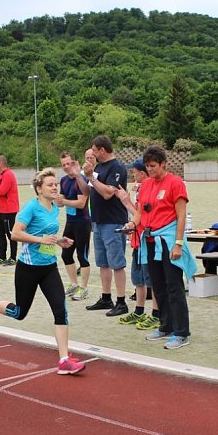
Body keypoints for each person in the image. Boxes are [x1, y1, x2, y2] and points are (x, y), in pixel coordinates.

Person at [0, 169, 84, 376]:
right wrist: (40, 240)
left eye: (55, 184)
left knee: (61, 310)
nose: (54, 188)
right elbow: (15, 234)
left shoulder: (54, 208)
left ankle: (64, 360)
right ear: (38, 189)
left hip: (49, 267)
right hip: (28, 269)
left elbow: (46, 233)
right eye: (50, 185)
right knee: (19, 313)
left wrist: (58, 241)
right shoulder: (31, 207)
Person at [123, 146, 195, 350]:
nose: (150, 169)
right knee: (158, 286)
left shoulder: (175, 183)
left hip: (169, 239)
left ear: (163, 163)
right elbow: (139, 212)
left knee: (174, 286)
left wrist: (178, 243)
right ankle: (166, 326)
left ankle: (182, 332)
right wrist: (132, 225)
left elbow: (181, 215)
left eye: (153, 166)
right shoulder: (145, 185)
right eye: (147, 166)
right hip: (150, 240)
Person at [82, 135, 129, 317]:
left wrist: (91, 178)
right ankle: (106, 296)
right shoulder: (99, 167)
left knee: (116, 262)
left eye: (94, 150)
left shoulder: (117, 167)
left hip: (113, 220)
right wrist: (80, 176)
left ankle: (121, 301)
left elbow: (108, 193)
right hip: (98, 221)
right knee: (103, 262)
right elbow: (89, 189)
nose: (92, 153)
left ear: (102, 150)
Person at [115, 159, 161, 330]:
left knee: (152, 280)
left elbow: (142, 216)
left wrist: (126, 202)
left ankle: (156, 314)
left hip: (147, 240)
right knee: (139, 279)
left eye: (135, 172)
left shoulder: (151, 192)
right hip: (137, 241)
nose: (134, 176)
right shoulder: (141, 191)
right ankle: (139, 310)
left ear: (143, 173)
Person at [55, 151, 92, 301]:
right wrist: (58, 199)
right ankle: (74, 284)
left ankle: (84, 288)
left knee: (82, 256)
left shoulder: (81, 180)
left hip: (83, 223)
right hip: (70, 222)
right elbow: (61, 198)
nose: (66, 167)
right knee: (66, 254)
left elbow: (81, 203)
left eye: (68, 163)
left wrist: (63, 202)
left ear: (74, 163)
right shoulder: (63, 180)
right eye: (63, 164)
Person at [0, 155, 21, 266]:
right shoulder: (3, 175)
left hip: (8, 210)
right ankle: (2, 256)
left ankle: (13, 257)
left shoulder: (8, 175)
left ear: (0, 164)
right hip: (1, 210)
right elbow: (0, 189)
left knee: (10, 234)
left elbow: (2, 191)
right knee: (0, 233)